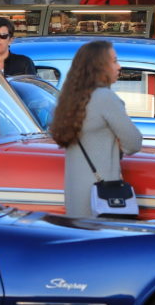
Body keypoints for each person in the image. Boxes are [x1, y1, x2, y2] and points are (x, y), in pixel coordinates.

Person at [48, 40, 142, 218]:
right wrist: (119, 143)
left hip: (75, 194)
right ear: (100, 66)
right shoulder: (105, 98)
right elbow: (134, 142)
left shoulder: (70, 99)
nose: (119, 66)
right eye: (114, 61)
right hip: (102, 196)